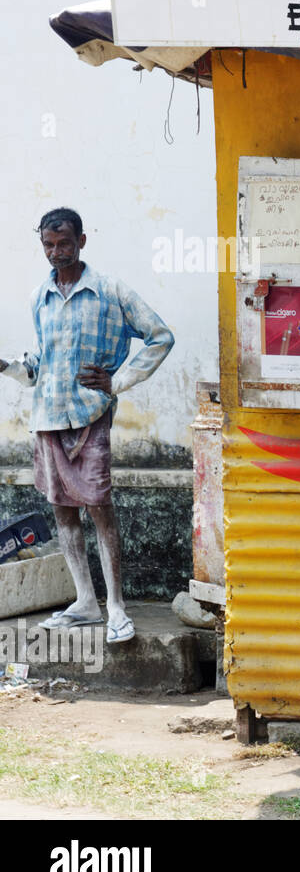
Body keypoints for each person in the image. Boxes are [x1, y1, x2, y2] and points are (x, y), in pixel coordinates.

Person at [0, 208, 174, 646]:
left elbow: (160, 336)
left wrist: (119, 382)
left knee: (100, 507)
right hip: (47, 418)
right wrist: (8, 367)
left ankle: (116, 605)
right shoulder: (41, 295)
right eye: (48, 245)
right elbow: (40, 366)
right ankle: (85, 601)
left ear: (81, 240)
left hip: (89, 416)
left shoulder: (110, 291)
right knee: (63, 509)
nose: (56, 252)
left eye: (63, 243)